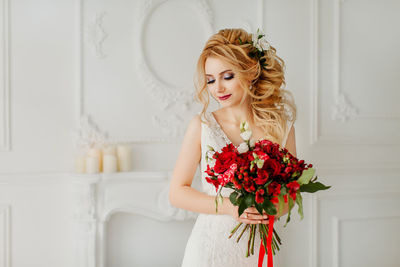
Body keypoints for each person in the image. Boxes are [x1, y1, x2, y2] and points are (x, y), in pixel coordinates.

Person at [169, 28, 298, 267]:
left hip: (262, 252)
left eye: (227, 76)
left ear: (250, 72)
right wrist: (230, 207)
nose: (217, 88)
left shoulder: (281, 126)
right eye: (210, 80)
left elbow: (290, 194)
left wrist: (272, 208)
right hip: (210, 251)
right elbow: (177, 192)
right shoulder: (203, 126)